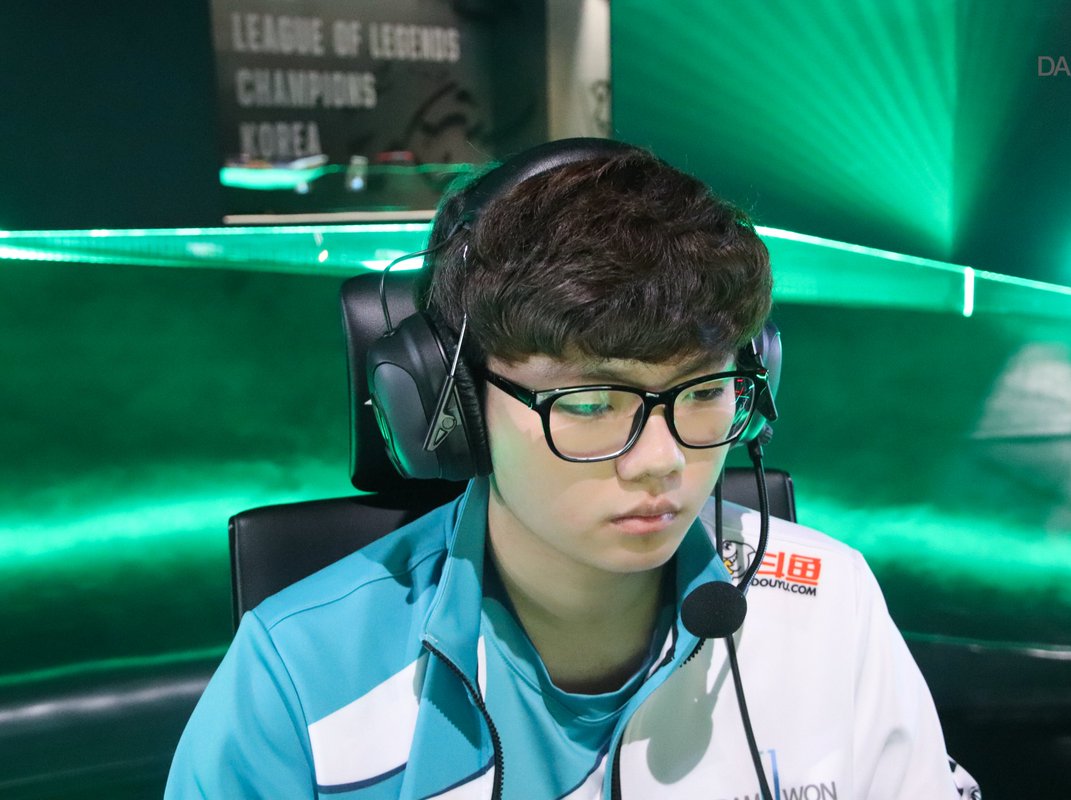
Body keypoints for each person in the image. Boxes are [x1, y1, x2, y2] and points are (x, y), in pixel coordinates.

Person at [166, 138, 979, 799]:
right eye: (590, 403)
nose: (662, 462)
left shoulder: (831, 605)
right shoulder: (300, 675)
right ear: (450, 407)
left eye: (704, 392)